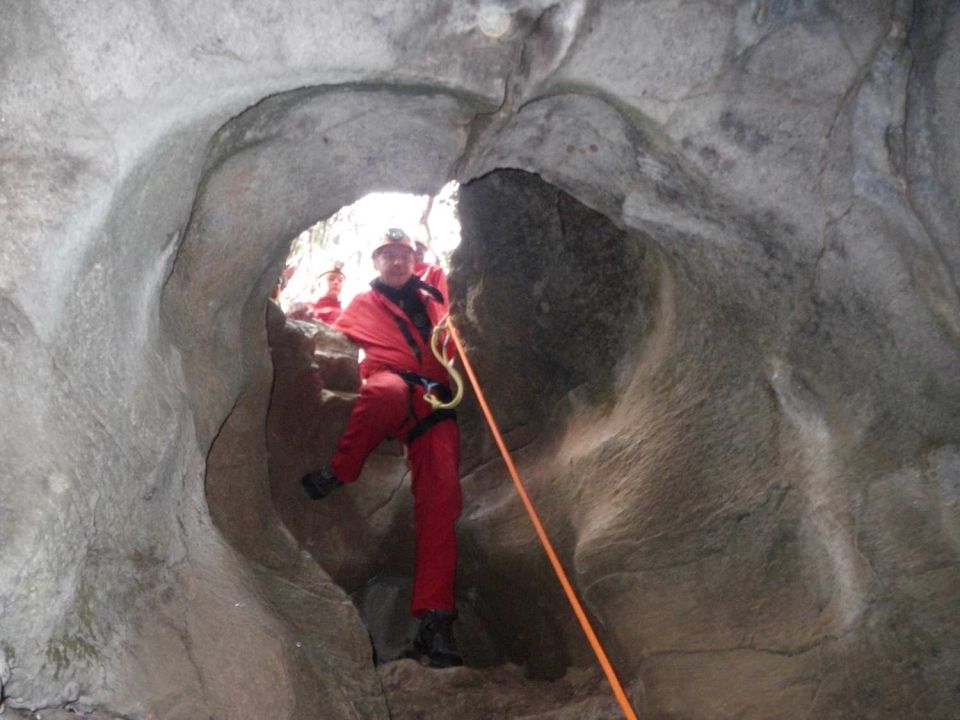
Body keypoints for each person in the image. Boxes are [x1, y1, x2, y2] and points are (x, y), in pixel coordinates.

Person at [301, 228, 463, 668]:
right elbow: (329, 326)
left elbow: (453, 291)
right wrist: (314, 302)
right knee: (385, 393)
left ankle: (435, 616)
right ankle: (341, 470)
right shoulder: (362, 304)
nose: (396, 262)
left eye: (403, 256)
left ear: (414, 260)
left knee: (442, 496)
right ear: (376, 262)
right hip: (392, 384)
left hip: (436, 400)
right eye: (387, 255)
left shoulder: (435, 295)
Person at [413, 237, 448, 303]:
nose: (418, 249)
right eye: (415, 246)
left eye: (420, 247)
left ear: (424, 251)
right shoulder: (401, 272)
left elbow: (441, 302)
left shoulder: (435, 270)